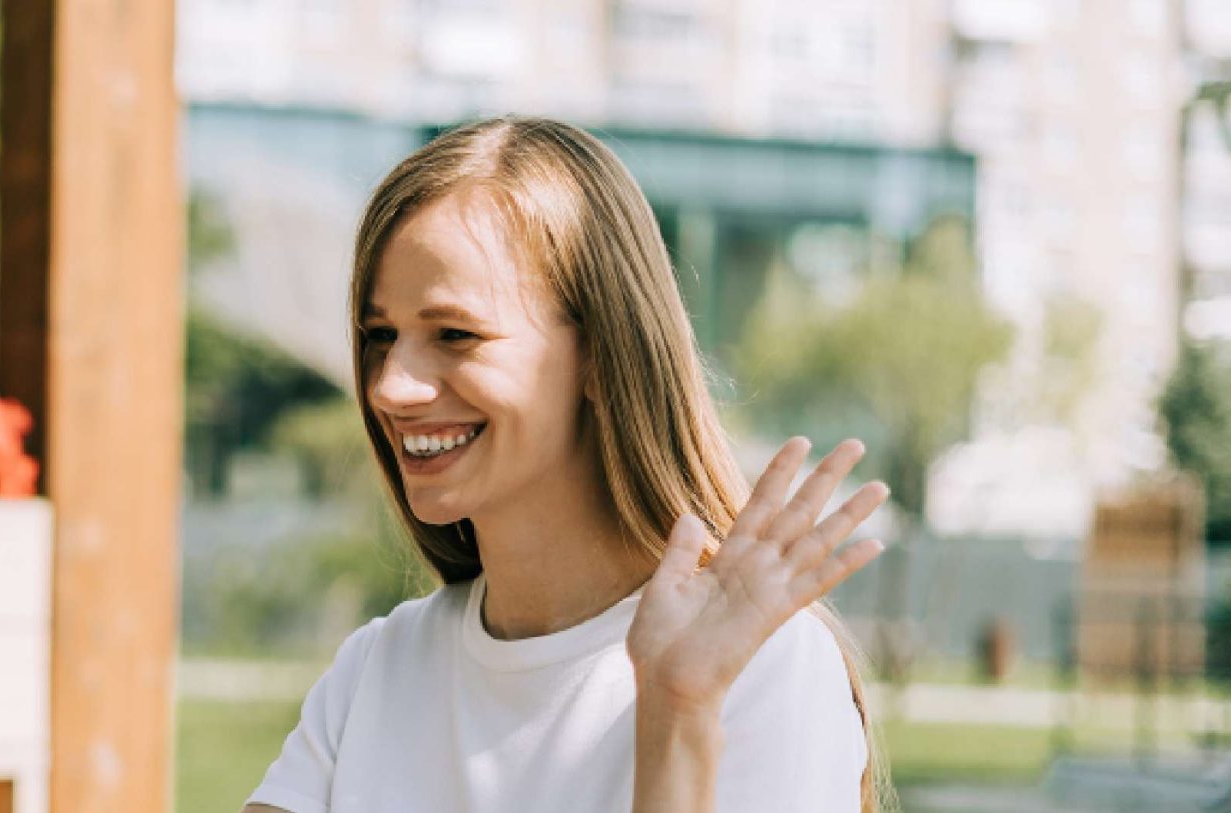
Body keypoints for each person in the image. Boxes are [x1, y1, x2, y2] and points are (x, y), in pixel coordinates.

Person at [242, 116, 895, 813]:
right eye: (380, 336)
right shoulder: (377, 669)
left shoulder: (760, 662)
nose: (389, 386)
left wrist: (678, 712)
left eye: (454, 334)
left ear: (598, 356)